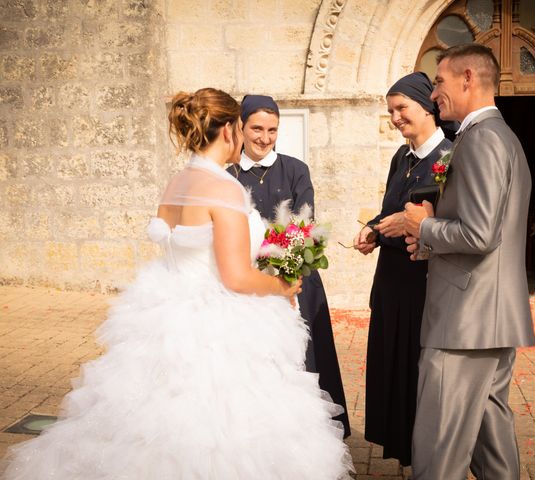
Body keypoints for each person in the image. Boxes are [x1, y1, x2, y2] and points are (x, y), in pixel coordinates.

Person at [1, 88, 352, 480]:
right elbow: (235, 277)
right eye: (242, 126)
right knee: (227, 433)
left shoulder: (178, 183)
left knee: (157, 427)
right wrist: (282, 289)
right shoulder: (225, 189)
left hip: (168, 319)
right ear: (229, 130)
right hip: (222, 327)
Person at [404, 44, 535, 480]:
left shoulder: (481, 140)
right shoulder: (498, 137)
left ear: (467, 78)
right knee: (489, 443)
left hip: (464, 322)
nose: (434, 92)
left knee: (438, 448)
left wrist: (425, 227)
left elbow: (480, 234)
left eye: (438, 81)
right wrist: (428, 241)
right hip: (489, 315)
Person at [228, 94, 350, 437]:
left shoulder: (297, 170)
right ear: (241, 126)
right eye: (256, 128)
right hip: (247, 287)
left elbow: (304, 224)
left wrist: (286, 275)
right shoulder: (228, 175)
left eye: (272, 130)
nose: (264, 138)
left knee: (304, 359)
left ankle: (309, 436)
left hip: (297, 280)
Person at [351, 72, 456, 466]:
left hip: (424, 287)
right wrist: (372, 230)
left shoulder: (450, 156)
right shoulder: (402, 156)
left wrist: (395, 227)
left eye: (402, 108)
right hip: (391, 284)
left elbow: (446, 222)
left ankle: (429, 455)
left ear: (427, 107)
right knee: (391, 369)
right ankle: (403, 450)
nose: (395, 117)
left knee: (419, 375)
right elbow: (390, 208)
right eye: (391, 110)